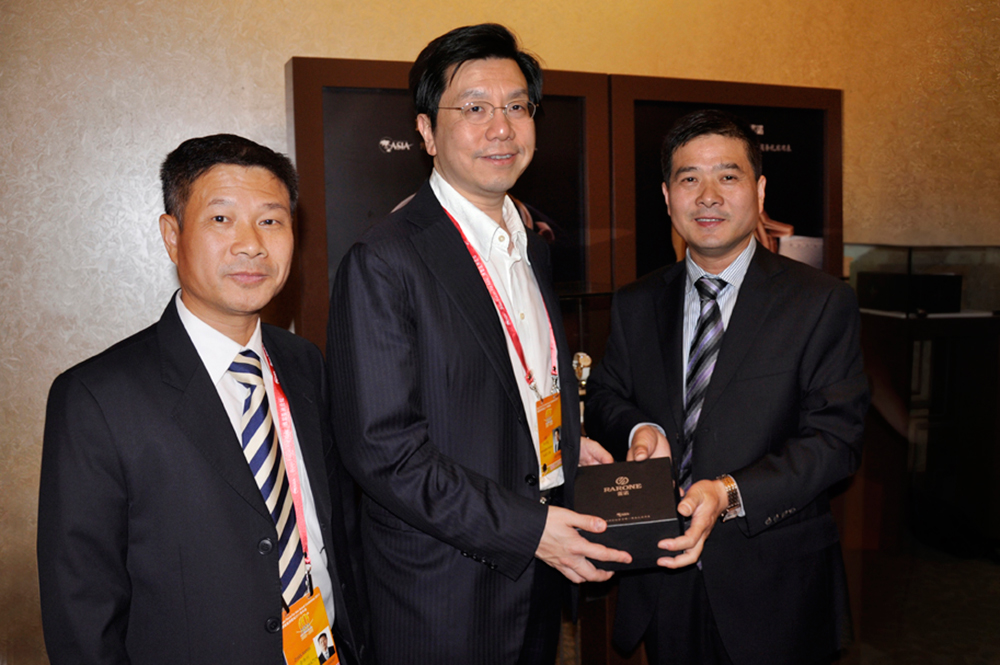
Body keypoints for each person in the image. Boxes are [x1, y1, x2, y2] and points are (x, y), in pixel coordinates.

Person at [327, 23, 630, 665]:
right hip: (443, 593)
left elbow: (513, 392)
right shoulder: (385, 260)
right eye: (474, 108)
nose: (502, 128)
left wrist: (566, 449)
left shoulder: (530, 245)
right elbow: (383, 452)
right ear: (427, 131)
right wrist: (530, 530)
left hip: (537, 578)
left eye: (517, 106)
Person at [37, 134, 369, 664]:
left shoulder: (305, 363)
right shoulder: (96, 397)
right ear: (173, 236)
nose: (251, 244)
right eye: (221, 219)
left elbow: (338, 533)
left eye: (270, 220)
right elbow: (82, 611)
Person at [585, 109, 869, 665]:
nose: (708, 196)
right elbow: (604, 397)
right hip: (664, 572)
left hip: (774, 583)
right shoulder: (636, 302)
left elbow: (836, 441)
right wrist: (641, 427)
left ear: (759, 192)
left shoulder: (820, 302)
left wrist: (728, 493)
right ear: (667, 197)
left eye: (728, 176)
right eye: (689, 178)